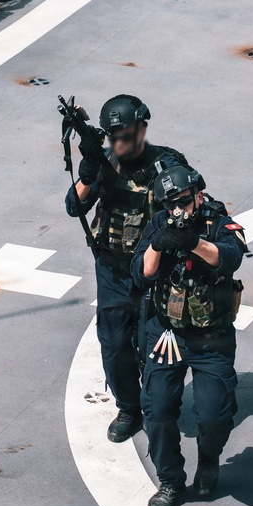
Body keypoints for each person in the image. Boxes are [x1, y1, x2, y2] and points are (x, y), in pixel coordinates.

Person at [65, 95, 188, 444]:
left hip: (153, 272)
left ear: (142, 128)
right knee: (114, 343)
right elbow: (74, 206)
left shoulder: (167, 163)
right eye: (113, 136)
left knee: (157, 345)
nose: (119, 143)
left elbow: (189, 204)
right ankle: (129, 408)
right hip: (113, 271)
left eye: (126, 134)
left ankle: (157, 406)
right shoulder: (103, 161)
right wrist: (87, 176)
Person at [131, 164, 248, 506]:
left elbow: (230, 258)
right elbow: (141, 274)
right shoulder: (160, 223)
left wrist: (193, 243)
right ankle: (170, 481)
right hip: (167, 332)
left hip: (211, 338)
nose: (177, 211)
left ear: (198, 194)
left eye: (183, 202)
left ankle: (209, 460)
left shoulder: (218, 222)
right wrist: (159, 242)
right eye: (171, 205)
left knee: (214, 415)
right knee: (158, 409)